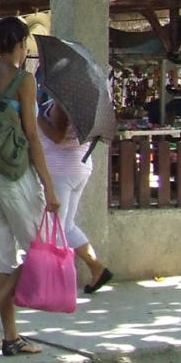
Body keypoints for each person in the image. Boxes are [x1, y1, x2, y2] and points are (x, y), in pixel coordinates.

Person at [0, 16, 60, 356]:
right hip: (14, 175)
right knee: (40, 251)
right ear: (21, 44)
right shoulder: (24, 80)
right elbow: (32, 136)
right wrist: (49, 186)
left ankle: (11, 337)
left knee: (1, 261)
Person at [38, 99, 113, 294]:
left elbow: (58, 136)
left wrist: (37, 116)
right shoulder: (87, 105)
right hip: (78, 166)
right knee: (67, 226)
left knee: (55, 230)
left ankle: (58, 283)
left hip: (61, 170)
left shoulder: (63, 104)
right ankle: (97, 268)